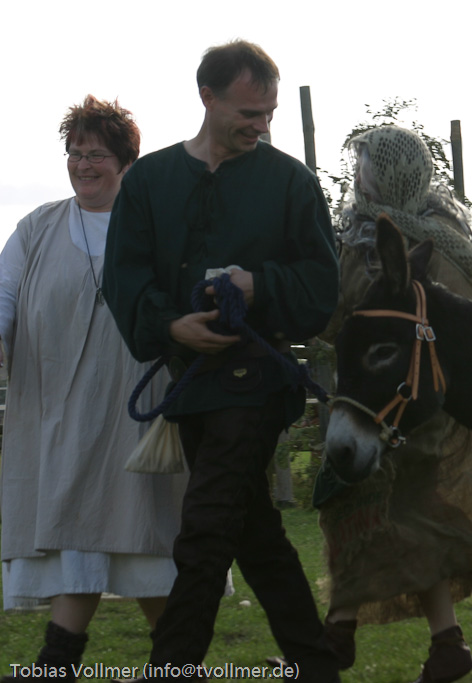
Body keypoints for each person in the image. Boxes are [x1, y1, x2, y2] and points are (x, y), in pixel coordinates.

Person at [102, 40, 340, 677]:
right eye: (248, 112)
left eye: (269, 114)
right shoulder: (148, 181)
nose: (261, 125)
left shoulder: (291, 182)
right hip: (191, 384)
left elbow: (322, 286)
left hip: (256, 382)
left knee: (206, 528)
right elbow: (124, 278)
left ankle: (172, 667)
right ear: (207, 97)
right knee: (255, 535)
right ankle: (316, 664)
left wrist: (260, 285)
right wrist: (171, 325)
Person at [311, 125, 472, 683]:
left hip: (419, 409)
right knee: (375, 513)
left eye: (365, 167)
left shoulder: (439, 240)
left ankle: (342, 637)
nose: (357, 176)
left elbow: (450, 323)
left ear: (392, 175)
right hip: (367, 399)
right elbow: (338, 316)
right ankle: (439, 644)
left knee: (403, 516)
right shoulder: (356, 235)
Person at [0, 96, 187, 678]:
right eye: (75, 153)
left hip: (138, 414)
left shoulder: (156, 228)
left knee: (149, 543)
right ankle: (64, 665)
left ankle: (172, 666)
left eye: (97, 154)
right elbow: (4, 296)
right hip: (57, 418)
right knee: (76, 538)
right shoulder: (37, 228)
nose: (83, 165)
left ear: (126, 162)